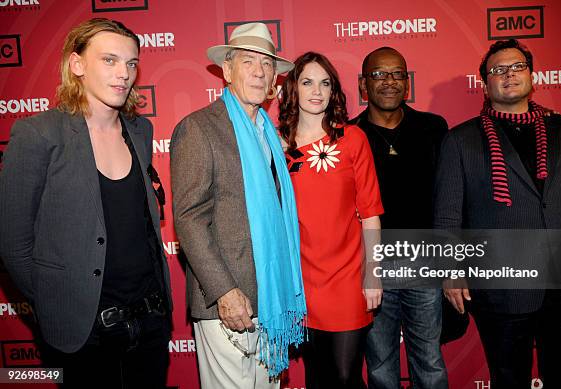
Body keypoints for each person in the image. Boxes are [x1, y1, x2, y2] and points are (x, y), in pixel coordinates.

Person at [0, 18, 172, 389]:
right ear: (77, 65)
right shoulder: (39, 134)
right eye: (109, 60)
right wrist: (61, 301)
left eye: (130, 63)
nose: (123, 73)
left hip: (150, 323)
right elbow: (13, 244)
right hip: (83, 336)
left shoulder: (140, 132)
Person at [435, 39, 561, 389]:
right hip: (502, 283)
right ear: (485, 85)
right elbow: (447, 217)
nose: (508, 75)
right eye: (498, 70)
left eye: (516, 67)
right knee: (508, 378)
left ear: (532, 76)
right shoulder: (461, 140)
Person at [170, 22, 306, 389]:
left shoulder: (270, 135)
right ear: (227, 70)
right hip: (228, 303)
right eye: (249, 61)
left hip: (269, 300)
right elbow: (189, 219)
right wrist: (224, 291)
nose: (260, 72)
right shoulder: (199, 128)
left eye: (267, 63)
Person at [278, 51, 383, 389]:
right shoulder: (279, 147)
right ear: (293, 88)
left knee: (345, 375)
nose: (317, 91)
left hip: (349, 277)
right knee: (319, 376)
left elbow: (370, 214)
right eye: (307, 82)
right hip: (302, 281)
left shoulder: (353, 139)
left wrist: (374, 275)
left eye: (325, 83)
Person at [351, 46, 449, 389]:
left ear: (407, 83)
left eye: (397, 74)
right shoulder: (350, 136)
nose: (389, 82)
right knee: (379, 364)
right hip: (372, 266)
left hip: (425, 263)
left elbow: (450, 200)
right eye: (378, 74)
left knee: (430, 360)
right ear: (364, 85)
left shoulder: (433, 129)